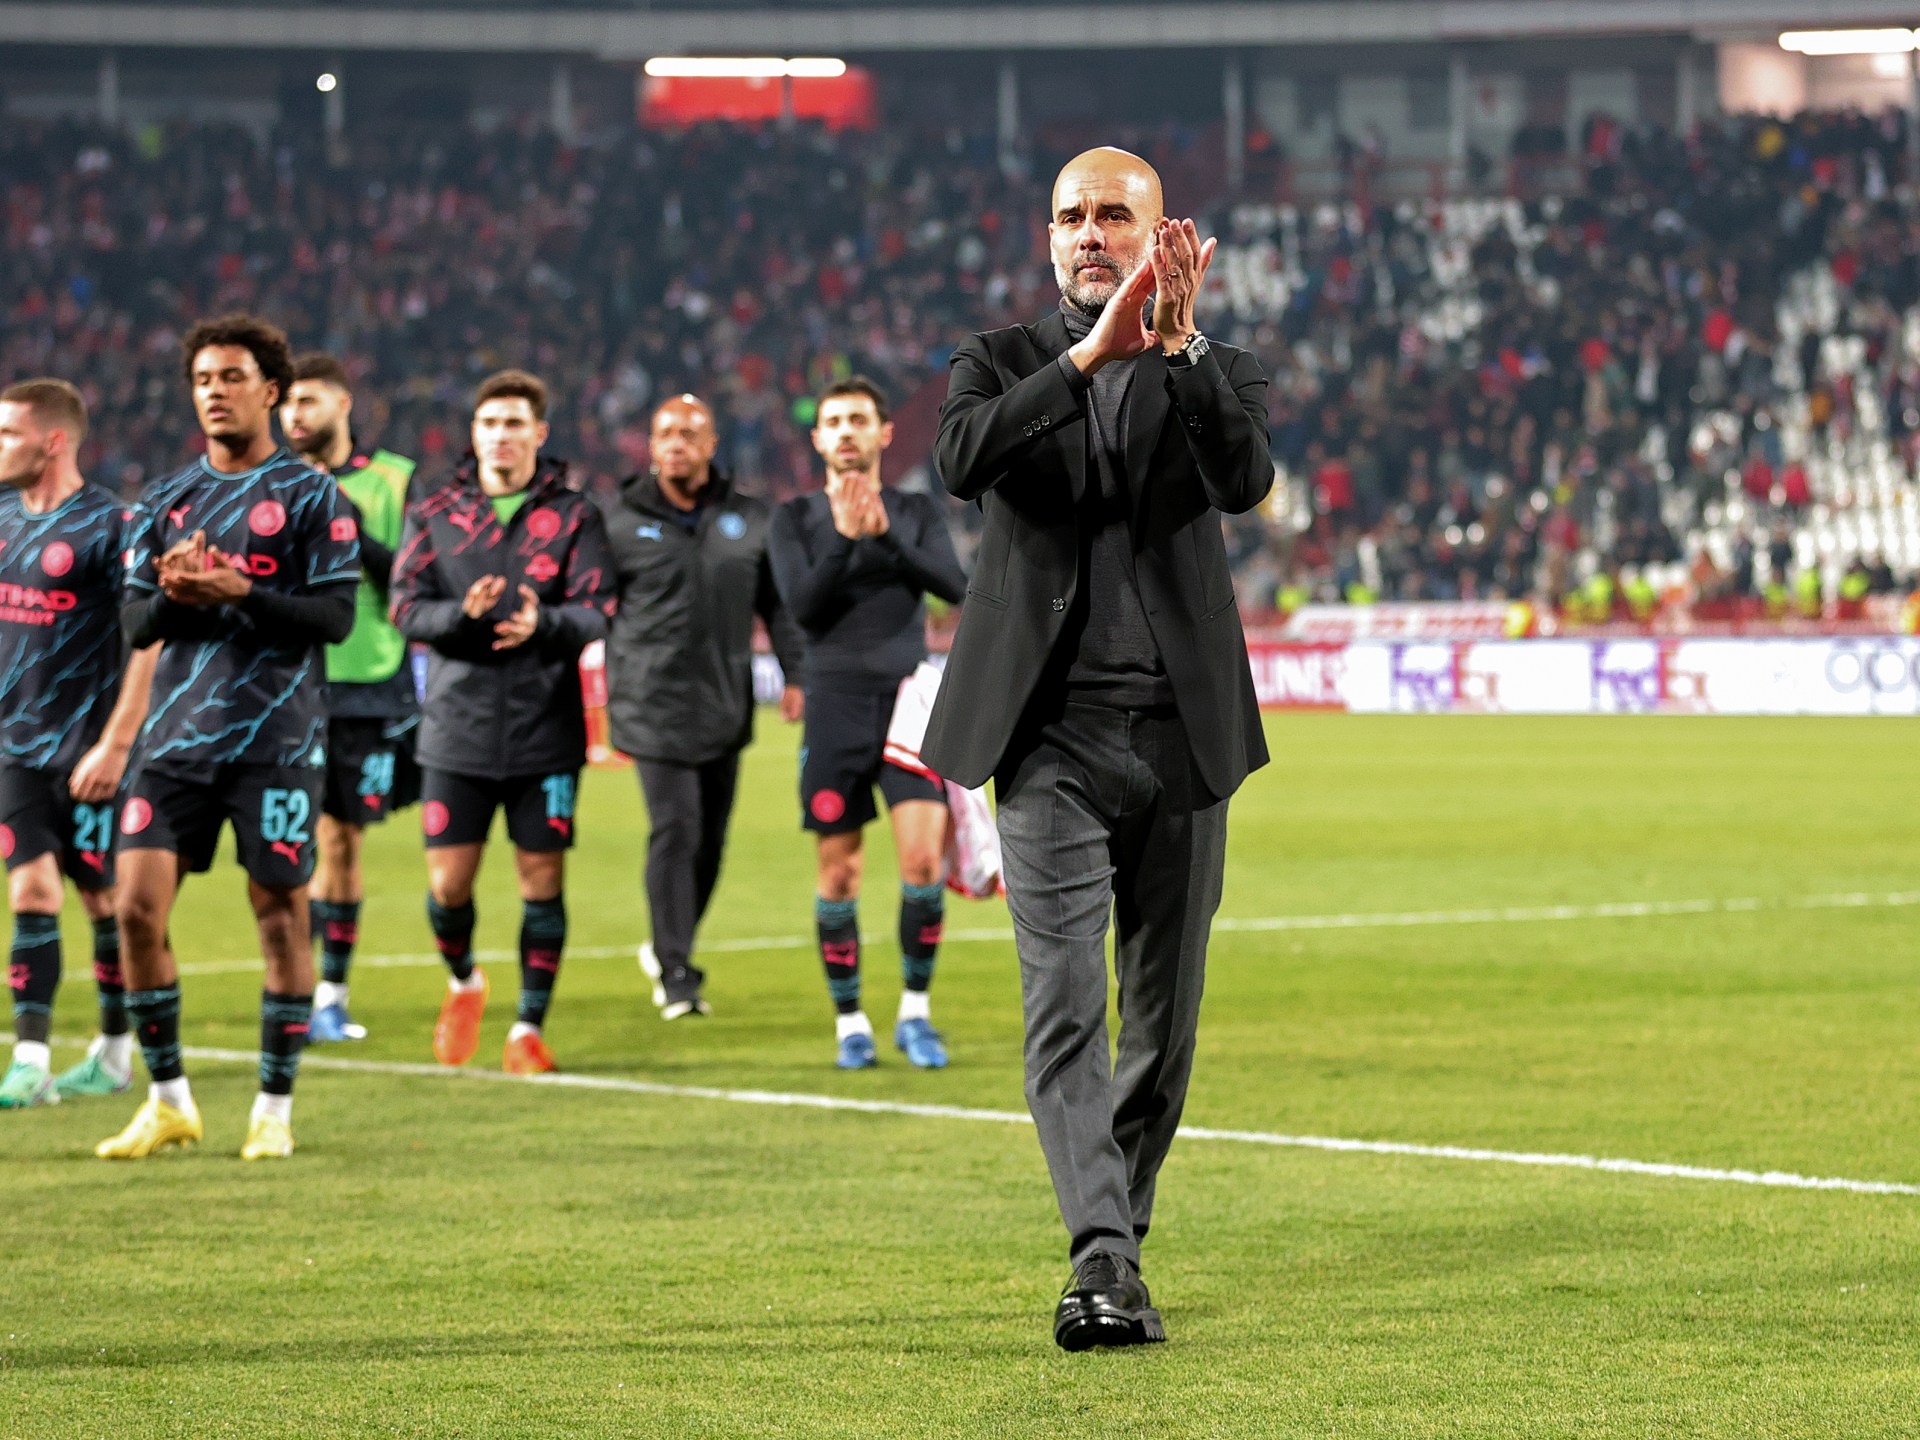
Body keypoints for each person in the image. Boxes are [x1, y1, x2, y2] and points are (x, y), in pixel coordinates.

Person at [922, 148, 1273, 1349]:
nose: (1089, 233)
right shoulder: (999, 360)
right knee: (1065, 1006)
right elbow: (962, 461)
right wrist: (1085, 360)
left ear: (1162, 236)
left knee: (1162, 1027)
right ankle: (1103, 1261)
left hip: (1183, 735)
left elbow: (1245, 478)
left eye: (1114, 215)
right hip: (1048, 739)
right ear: (1048, 237)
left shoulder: (1215, 367)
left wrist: (1175, 351)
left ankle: (1117, 1233)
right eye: (1071, 215)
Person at [100, 313, 361, 1161]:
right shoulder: (163, 500)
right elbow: (136, 625)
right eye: (203, 380)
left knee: (280, 918)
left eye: (232, 377)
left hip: (276, 743)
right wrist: (181, 595)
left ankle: (273, 1110)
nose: (215, 392)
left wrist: (241, 593)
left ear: (271, 390)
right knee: (135, 911)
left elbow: (335, 618)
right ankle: (169, 1101)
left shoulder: (315, 497)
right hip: (174, 743)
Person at [390, 370, 614, 1075]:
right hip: (455, 727)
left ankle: (527, 1028)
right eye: (490, 424)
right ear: (474, 434)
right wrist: (462, 616)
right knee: (448, 886)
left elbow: (598, 611)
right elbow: (404, 607)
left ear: (538, 433)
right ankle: (465, 982)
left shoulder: (575, 516)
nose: (502, 436)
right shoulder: (435, 511)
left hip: (546, 728)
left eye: (515, 423)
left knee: (540, 878)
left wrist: (543, 625)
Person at [768, 378, 966, 1070]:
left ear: (883, 433)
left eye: (858, 419)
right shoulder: (793, 519)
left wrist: (885, 537)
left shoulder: (913, 510)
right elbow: (803, 608)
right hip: (833, 705)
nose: (846, 431)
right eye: (834, 422)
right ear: (818, 438)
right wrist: (847, 541)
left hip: (908, 702)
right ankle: (850, 1020)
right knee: (839, 872)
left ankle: (915, 1012)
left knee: (922, 862)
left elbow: (955, 588)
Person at [604, 394, 805, 1020]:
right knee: (677, 828)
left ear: (712, 444)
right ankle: (677, 973)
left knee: (711, 841)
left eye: (690, 433)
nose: (677, 443)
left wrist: (796, 675)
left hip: (723, 700)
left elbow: (777, 606)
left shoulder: (751, 518)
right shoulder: (617, 521)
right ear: (650, 445)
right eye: (666, 433)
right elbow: (589, 604)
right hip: (649, 701)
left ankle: (672, 942)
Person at [0, 380, 157, 1109]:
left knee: (103, 900)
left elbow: (148, 641)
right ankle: (30, 1059)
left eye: (8, 433)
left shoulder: (113, 526)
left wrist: (117, 745)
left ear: (53, 440)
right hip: (14, 747)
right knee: (31, 888)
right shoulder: (2, 516)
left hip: (90, 749)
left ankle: (114, 1052)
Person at [280, 352, 420, 1044]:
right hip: (285, 680)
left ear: (343, 404)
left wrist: (347, 529)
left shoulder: (394, 479)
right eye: (288, 402)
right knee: (287, 844)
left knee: (338, 841)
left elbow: (414, 579)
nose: (295, 414)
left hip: (365, 680)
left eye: (308, 400)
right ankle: (292, 987)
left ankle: (330, 995)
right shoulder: (270, 482)